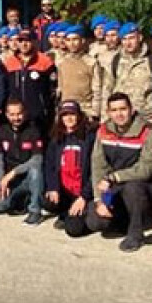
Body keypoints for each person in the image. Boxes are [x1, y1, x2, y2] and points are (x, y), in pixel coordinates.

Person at [87, 93, 152, 252]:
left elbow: (147, 168)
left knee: (132, 189)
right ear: (108, 112)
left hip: (143, 185)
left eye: (123, 109)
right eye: (114, 110)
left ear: (131, 110)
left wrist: (115, 177)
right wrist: (99, 200)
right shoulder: (104, 130)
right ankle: (122, 221)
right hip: (114, 186)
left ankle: (136, 233)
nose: (119, 114)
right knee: (95, 222)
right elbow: (98, 165)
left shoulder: (148, 132)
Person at [43, 100, 95, 236]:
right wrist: (53, 187)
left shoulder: (89, 137)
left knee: (73, 230)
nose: (69, 118)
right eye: (65, 115)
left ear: (79, 115)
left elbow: (95, 171)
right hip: (65, 190)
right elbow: (50, 165)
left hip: (83, 191)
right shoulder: (56, 137)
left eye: (72, 114)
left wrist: (84, 196)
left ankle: (84, 217)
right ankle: (65, 212)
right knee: (47, 201)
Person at [0, 98, 46, 225]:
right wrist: (2, 181)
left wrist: (14, 172)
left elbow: (37, 160)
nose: (16, 118)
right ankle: (25, 200)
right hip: (12, 181)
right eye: (12, 114)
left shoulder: (33, 131)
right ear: (6, 115)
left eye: (19, 114)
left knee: (35, 171)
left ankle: (35, 211)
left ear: (25, 113)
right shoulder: (2, 131)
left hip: (29, 177)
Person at [97, 22, 152, 126]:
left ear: (140, 38)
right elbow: (107, 91)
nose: (128, 43)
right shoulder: (115, 61)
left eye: (131, 38)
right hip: (119, 120)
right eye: (124, 39)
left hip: (146, 120)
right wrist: (104, 121)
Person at [3, 28, 57, 128]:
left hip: (38, 114)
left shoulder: (45, 61)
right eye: (21, 41)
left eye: (27, 41)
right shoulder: (9, 62)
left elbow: (53, 88)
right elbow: (5, 88)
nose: (24, 44)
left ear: (34, 42)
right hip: (16, 114)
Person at [54, 25, 96, 121]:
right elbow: (60, 88)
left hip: (86, 110)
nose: (72, 43)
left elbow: (97, 90)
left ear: (83, 40)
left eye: (75, 39)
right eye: (68, 40)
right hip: (66, 109)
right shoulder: (62, 62)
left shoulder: (91, 62)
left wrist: (95, 112)